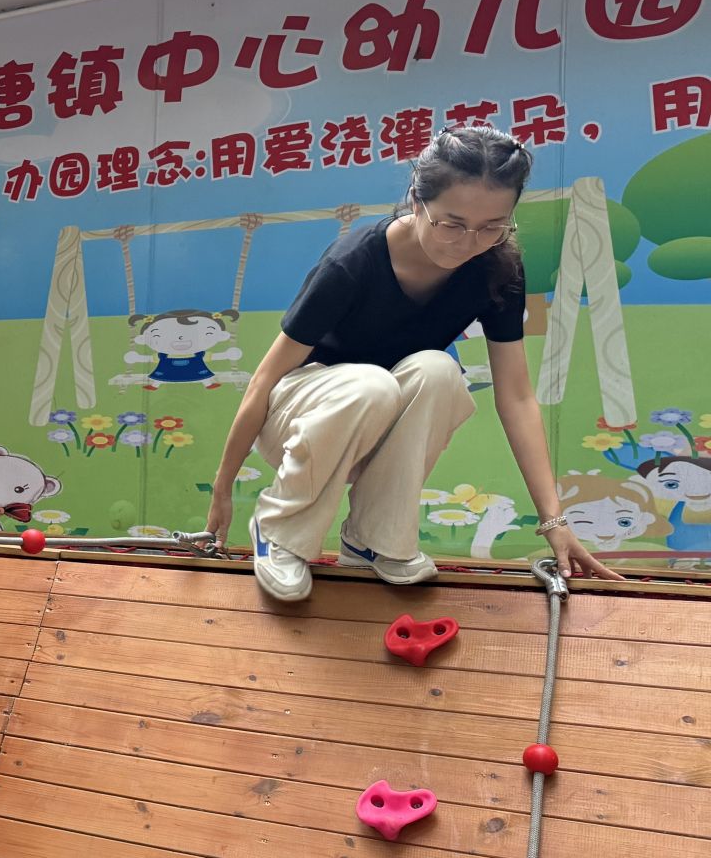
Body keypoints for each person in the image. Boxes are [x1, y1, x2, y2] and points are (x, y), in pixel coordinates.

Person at [205, 125, 619, 600]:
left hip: (378, 424)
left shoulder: (497, 267)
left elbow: (517, 396)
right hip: (300, 418)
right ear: (417, 201)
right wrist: (222, 488)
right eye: (452, 223)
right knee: (371, 384)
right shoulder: (352, 263)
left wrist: (554, 521)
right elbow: (265, 381)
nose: (469, 242)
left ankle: (374, 540)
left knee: (439, 371)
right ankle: (280, 531)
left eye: (492, 226)